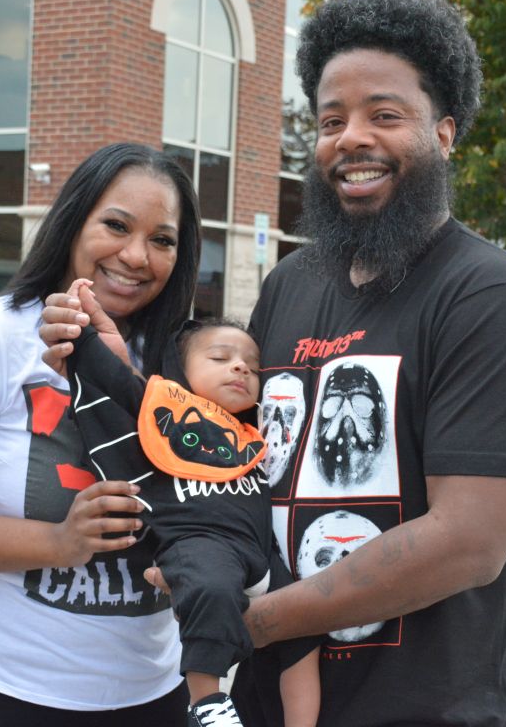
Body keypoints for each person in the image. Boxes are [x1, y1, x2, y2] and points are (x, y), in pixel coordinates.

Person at [53, 0, 506, 727]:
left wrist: (251, 622)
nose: (350, 139)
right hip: (263, 704)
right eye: (332, 120)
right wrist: (114, 367)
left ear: (445, 132)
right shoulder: (291, 284)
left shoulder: (491, 298)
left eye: (384, 115)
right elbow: (221, 439)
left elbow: (468, 544)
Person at [0, 143, 203, 725]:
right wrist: (58, 543)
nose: (136, 255)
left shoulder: (188, 360)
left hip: (154, 695)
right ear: (73, 222)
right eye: (116, 225)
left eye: (162, 239)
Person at [63, 282, 319, 727]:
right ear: (178, 371)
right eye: (220, 358)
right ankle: (207, 703)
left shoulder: (256, 430)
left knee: (307, 625)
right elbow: (111, 377)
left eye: (253, 366)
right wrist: (85, 328)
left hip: (260, 553)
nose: (240, 367)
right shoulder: (160, 410)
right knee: (210, 590)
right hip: (199, 545)